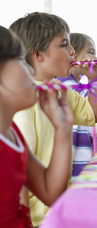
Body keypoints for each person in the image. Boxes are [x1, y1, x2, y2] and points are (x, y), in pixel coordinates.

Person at [9, 12, 97, 226]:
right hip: (39, 218)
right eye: (64, 45)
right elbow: (18, 179)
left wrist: (95, 79)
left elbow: (95, 114)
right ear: (38, 54)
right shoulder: (22, 105)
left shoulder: (58, 90)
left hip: (59, 204)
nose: (72, 52)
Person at [0, 26, 74, 228]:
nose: (31, 70)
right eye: (19, 61)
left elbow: (51, 193)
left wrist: (63, 128)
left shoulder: (11, 133)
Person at [56, 33, 97, 179]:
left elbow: (95, 114)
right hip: (75, 166)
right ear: (73, 55)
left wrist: (95, 78)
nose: (95, 58)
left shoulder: (71, 84)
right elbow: (93, 109)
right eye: (91, 52)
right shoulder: (66, 85)